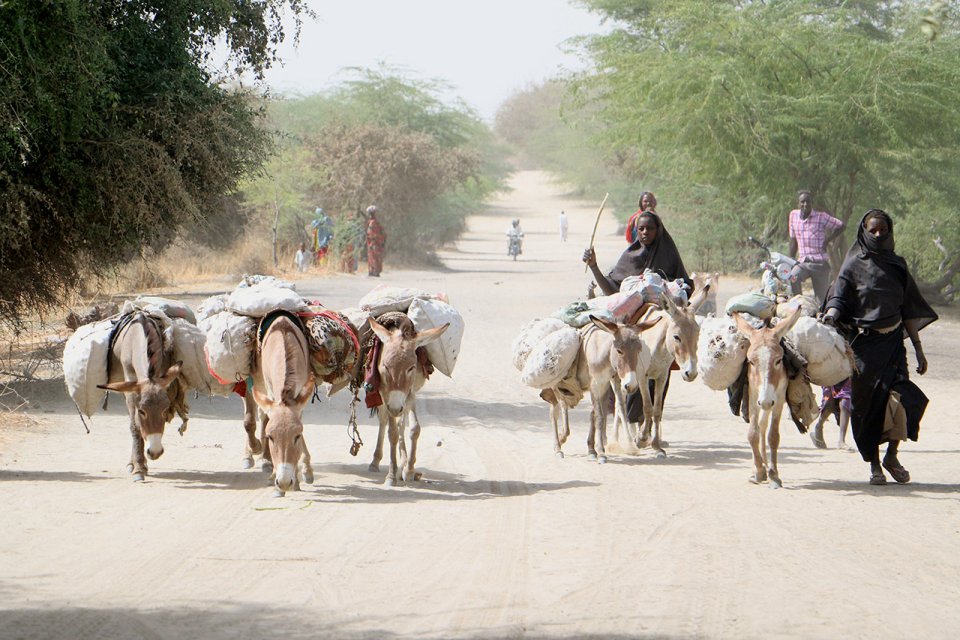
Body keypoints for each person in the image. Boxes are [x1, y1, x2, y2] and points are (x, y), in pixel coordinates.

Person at [822, 209, 937, 485]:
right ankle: (874, 464)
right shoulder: (852, 265)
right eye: (872, 230)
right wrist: (831, 315)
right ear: (863, 231)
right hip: (863, 348)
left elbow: (908, 310)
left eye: (882, 230)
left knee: (906, 400)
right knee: (867, 409)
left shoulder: (897, 265)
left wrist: (919, 349)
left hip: (894, 344)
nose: (877, 235)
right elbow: (839, 298)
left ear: (889, 231)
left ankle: (892, 455)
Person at [583, 210, 692, 423]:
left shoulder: (669, 255)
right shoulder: (629, 256)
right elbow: (611, 290)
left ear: (658, 230)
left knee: (660, 374)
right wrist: (594, 265)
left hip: (659, 323)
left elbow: (685, 285)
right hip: (633, 326)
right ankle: (625, 423)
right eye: (640, 228)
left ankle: (647, 425)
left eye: (649, 228)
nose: (644, 232)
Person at [788, 191, 845, 302]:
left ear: (812, 203)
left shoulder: (821, 217)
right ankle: (799, 305)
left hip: (819, 263)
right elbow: (793, 241)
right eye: (802, 202)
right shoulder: (793, 216)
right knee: (793, 277)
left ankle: (820, 315)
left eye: (808, 201)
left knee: (821, 300)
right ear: (798, 203)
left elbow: (841, 226)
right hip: (803, 261)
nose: (805, 204)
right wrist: (789, 261)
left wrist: (828, 240)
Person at [365, 205, 386, 277]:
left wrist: (373, 243)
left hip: (374, 243)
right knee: (373, 257)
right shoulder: (373, 222)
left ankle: (374, 271)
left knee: (374, 257)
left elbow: (373, 234)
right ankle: (373, 270)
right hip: (374, 243)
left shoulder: (373, 223)